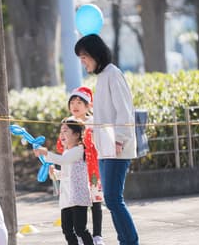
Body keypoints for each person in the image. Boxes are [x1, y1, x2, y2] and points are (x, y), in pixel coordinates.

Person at [75, 34, 139, 245]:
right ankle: (126, 240)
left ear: (95, 53)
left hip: (116, 146)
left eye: (84, 57)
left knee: (113, 199)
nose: (82, 62)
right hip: (105, 147)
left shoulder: (113, 74)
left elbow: (124, 111)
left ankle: (130, 241)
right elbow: (107, 115)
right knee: (111, 200)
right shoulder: (103, 77)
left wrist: (119, 139)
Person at [34, 119, 94, 245]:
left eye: (65, 131)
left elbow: (63, 160)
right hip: (67, 197)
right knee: (66, 230)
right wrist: (55, 173)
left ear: (77, 135)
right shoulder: (67, 152)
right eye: (61, 131)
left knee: (80, 229)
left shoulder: (79, 150)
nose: (62, 134)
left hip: (78, 196)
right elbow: (67, 174)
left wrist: (46, 153)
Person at [67, 86, 105, 245]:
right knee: (78, 203)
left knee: (96, 202)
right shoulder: (68, 123)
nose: (75, 106)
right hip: (75, 171)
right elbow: (61, 145)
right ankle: (82, 235)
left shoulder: (94, 123)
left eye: (79, 102)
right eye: (72, 102)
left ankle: (97, 236)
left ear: (88, 105)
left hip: (93, 169)